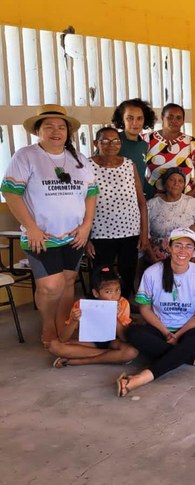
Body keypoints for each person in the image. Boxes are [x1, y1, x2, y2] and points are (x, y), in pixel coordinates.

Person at [1, 104, 98, 347]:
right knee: (50, 286)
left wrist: (87, 225)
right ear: (38, 131)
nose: (56, 131)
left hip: (74, 235)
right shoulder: (26, 156)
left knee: (68, 281)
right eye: (49, 127)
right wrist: (31, 227)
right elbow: (10, 192)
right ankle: (48, 327)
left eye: (61, 127)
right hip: (42, 236)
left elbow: (91, 193)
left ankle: (63, 327)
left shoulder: (79, 159)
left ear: (68, 131)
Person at [117, 228, 195, 397]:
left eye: (188, 246)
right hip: (159, 328)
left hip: (189, 329)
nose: (182, 251)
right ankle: (193, 359)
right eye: (178, 245)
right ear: (169, 247)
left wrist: (178, 335)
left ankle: (141, 378)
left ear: (194, 250)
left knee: (194, 340)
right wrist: (166, 333)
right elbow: (144, 309)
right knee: (132, 332)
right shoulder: (152, 273)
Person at [86, 127, 149, 299]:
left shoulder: (129, 164)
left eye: (115, 141)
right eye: (105, 141)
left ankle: (124, 305)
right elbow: (80, 204)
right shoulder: (87, 166)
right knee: (102, 275)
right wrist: (86, 238)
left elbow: (141, 202)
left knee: (128, 272)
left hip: (130, 231)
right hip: (100, 233)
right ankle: (102, 309)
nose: (111, 145)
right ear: (96, 143)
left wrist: (144, 233)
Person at [48, 266, 138, 368]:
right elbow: (63, 338)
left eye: (118, 290)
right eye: (108, 292)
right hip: (91, 342)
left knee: (131, 351)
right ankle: (112, 355)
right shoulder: (82, 305)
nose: (115, 296)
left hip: (113, 342)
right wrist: (74, 320)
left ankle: (78, 361)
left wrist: (114, 316)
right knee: (54, 346)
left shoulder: (123, 304)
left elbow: (124, 338)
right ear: (96, 293)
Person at [144, 103, 195, 197]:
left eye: (178, 118)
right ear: (162, 117)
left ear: (183, 121)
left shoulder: (190, 142)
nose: (174, 121)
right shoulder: (147, 139)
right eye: (170, 117)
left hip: (184, 199)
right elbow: (137, 171)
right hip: (154, 198)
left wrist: (193, 192)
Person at [146, 167, 195, 262]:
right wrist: (153, 257)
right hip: (158, 257)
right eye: (172, 180)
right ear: (165, 183)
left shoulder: (192, 203)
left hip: (186, 257)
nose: (176, 184)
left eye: (180, 181)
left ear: (184, 185)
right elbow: (145, 235)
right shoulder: (151, 204)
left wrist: (193, 228)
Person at [111, 98, 156, 197]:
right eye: (130, 118)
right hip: (113, 199)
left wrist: (156, 193)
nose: (135, 123)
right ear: (122, 119)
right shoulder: (113, 142)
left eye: (139, 118)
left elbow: (140, 177)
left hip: (134, 201)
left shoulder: (143, 145)